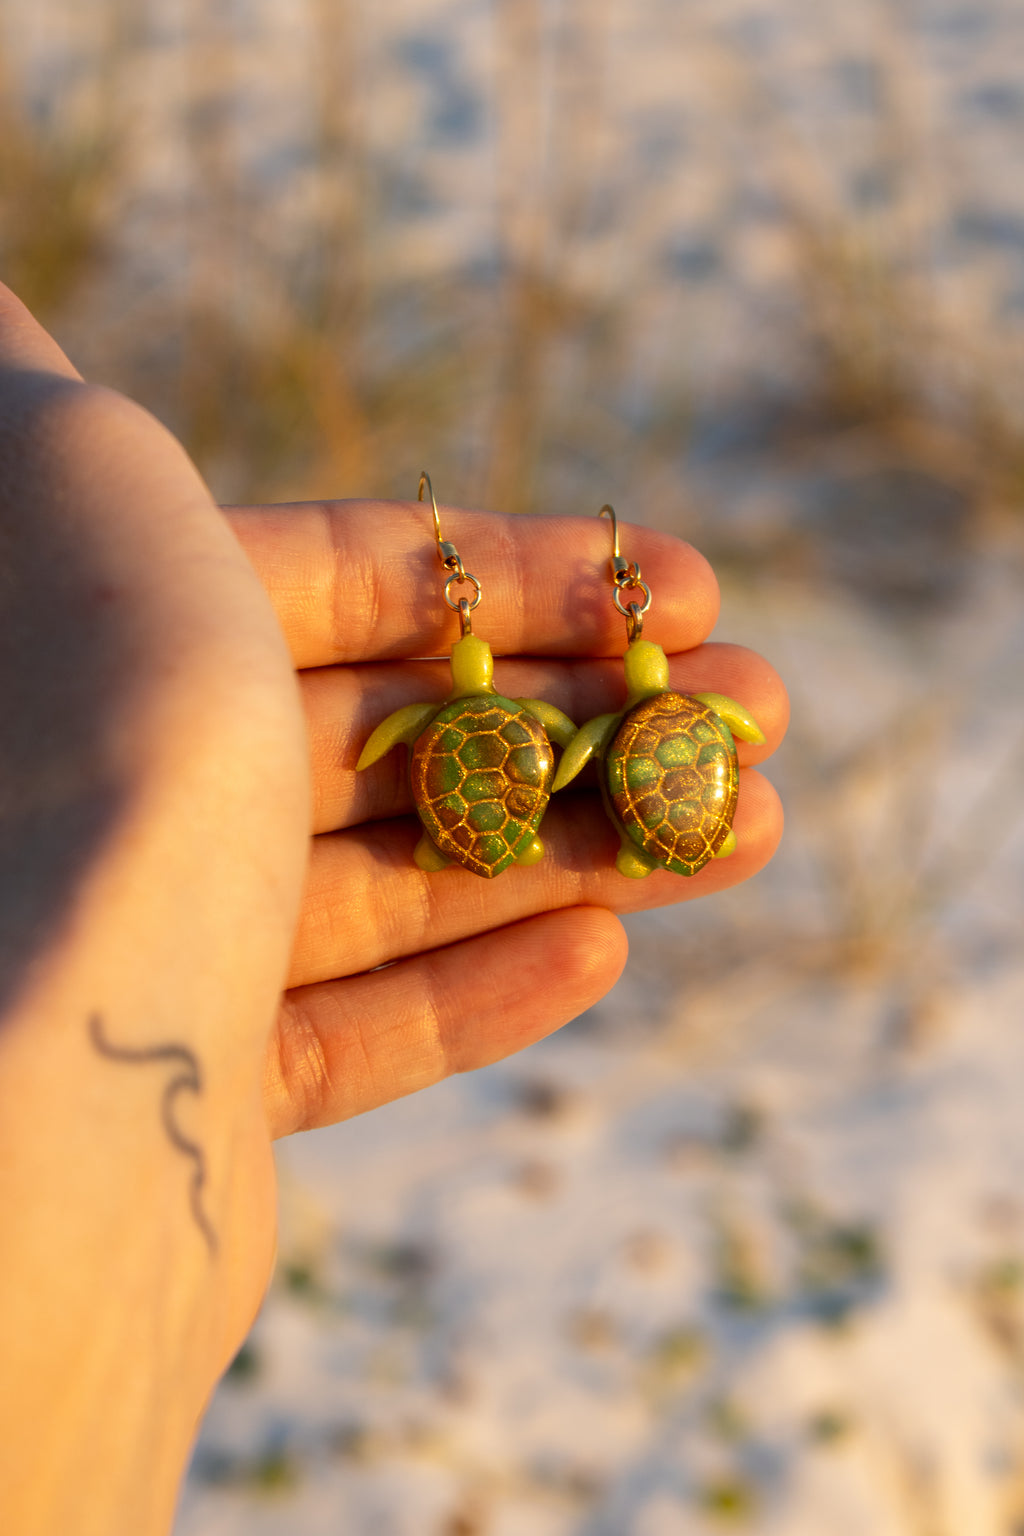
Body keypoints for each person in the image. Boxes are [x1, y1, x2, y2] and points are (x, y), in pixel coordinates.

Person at [0, 280, 786, 1535]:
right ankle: (637, 842)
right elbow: (606, 746)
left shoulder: (491, 726)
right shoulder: (628, 723)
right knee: (612, 856)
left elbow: (500, 748)